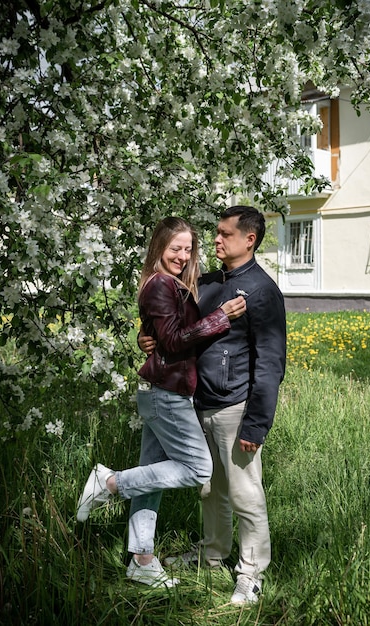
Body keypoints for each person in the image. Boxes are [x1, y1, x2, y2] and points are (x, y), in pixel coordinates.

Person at [76, 216, 246, 589]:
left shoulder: (173, 285)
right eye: (175, 249)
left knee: (150, 479)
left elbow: (162, 333)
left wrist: (146, 334)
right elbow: (173, 340)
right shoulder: (159, 285)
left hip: (161, 389)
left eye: (188, 249)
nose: (182, 256)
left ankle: (142, 560)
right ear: (159, 248)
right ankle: (109, 483)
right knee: (199, 469)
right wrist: (221, 317)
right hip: (167, 393)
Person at [140, 206, 286, 604]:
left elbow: (270, 364)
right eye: (216, 234)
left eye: (225, 234)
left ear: (249, 239)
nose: (216, 241)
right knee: (209, 489)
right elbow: (174, 330)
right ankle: (213, 554)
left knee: (244, 492)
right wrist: (146, 338)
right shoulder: (206, 284)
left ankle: (251, 573)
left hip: (235, 408)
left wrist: (256, 424)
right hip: (196, 403)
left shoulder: (260, 290)